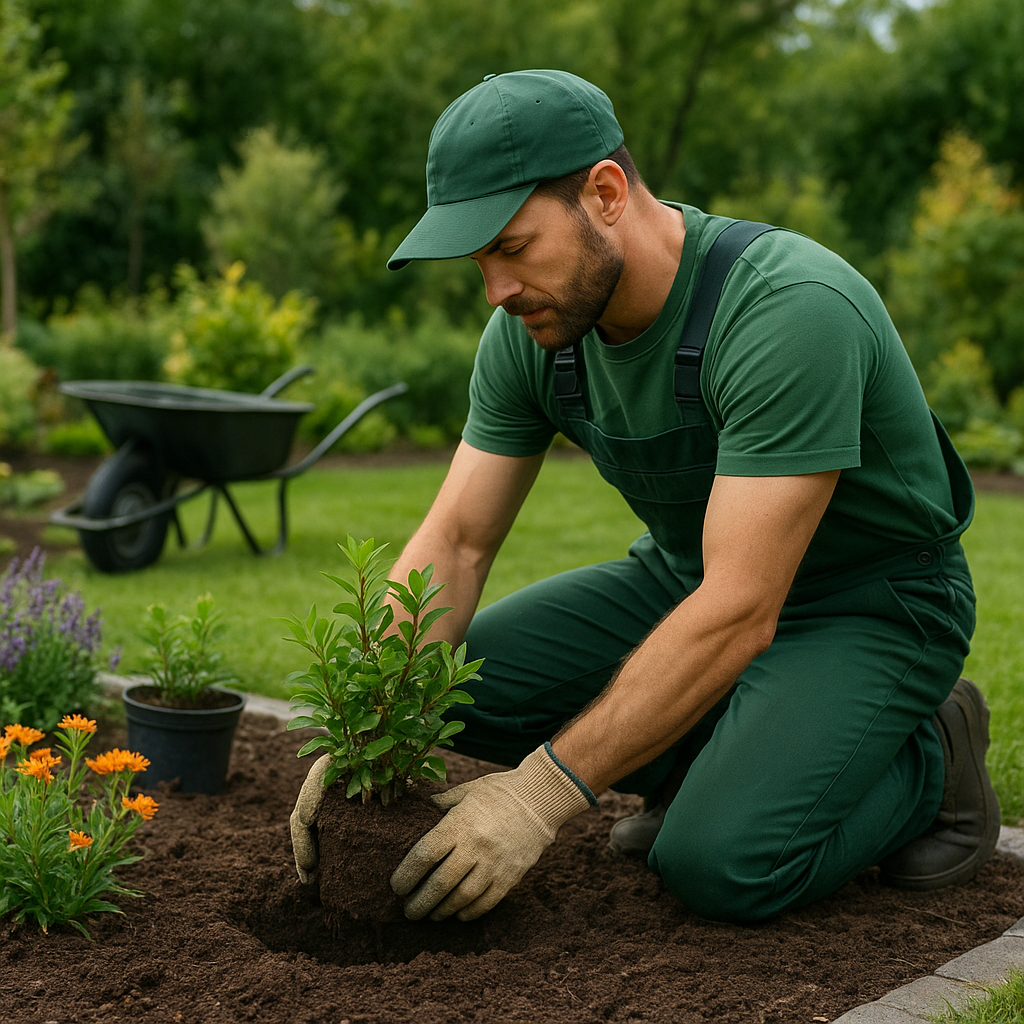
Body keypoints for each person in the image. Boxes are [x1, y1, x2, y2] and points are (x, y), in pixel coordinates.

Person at [290, 69, 1000, 925]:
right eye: (479, 262)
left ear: (606, 192)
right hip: (683, 580)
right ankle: (712, 760)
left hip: (868, 605)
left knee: (718, 863)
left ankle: (931, 758)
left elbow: (741, 608)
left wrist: (538, 794)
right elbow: (458, 541)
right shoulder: (533, 333)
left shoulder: (787, 311)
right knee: (455, 691)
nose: (497, 291)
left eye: (512, 247)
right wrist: (369, 726)